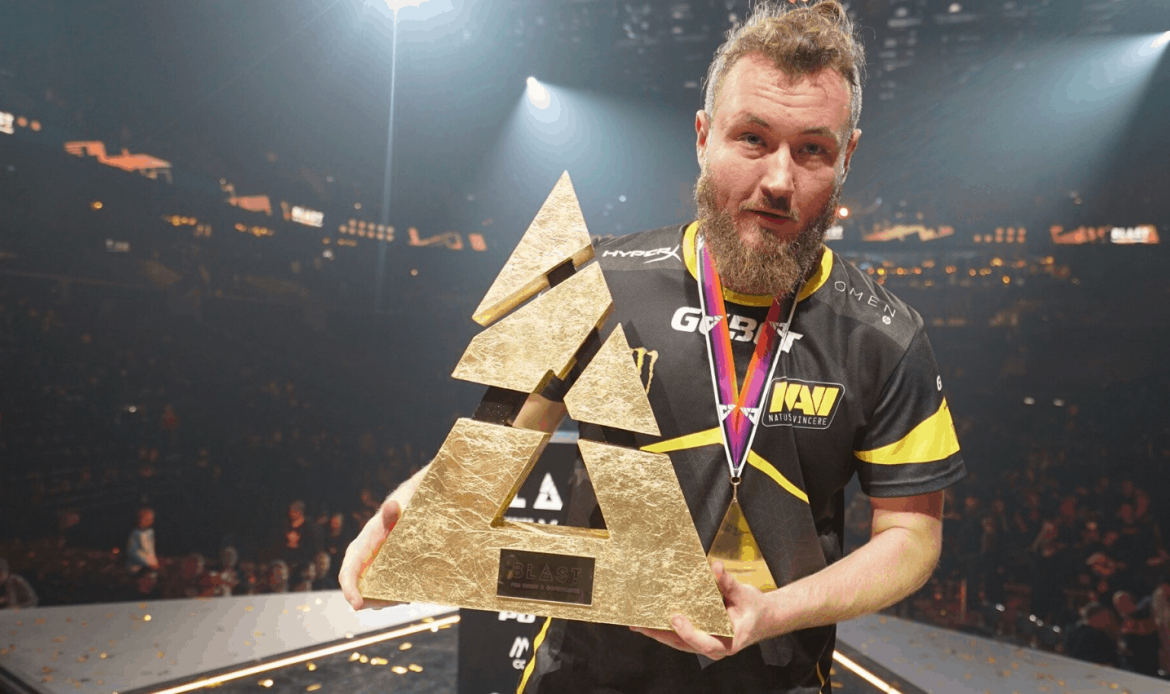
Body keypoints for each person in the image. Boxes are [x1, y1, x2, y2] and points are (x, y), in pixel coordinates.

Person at [340, 2, 965, 691]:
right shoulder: (594, 279)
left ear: (847, 157)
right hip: (582, 674)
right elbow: (488, 452)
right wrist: (410, 516)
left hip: (775, 675)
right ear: (703, 137)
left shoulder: (887, 334)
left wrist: (773, 612)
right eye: (752, 138)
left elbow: (912, 537)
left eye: (812, 149)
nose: (779, 180)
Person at [126, 506, 159, 573]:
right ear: (140, 519)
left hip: (150, 564)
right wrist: (147, 563)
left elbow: (151, 550)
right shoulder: (135, 533)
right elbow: (133, 552)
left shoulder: (150, 532)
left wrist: (153, 562)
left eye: (151, 519)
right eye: (146, 519)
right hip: (136, 566)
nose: (150, 521)